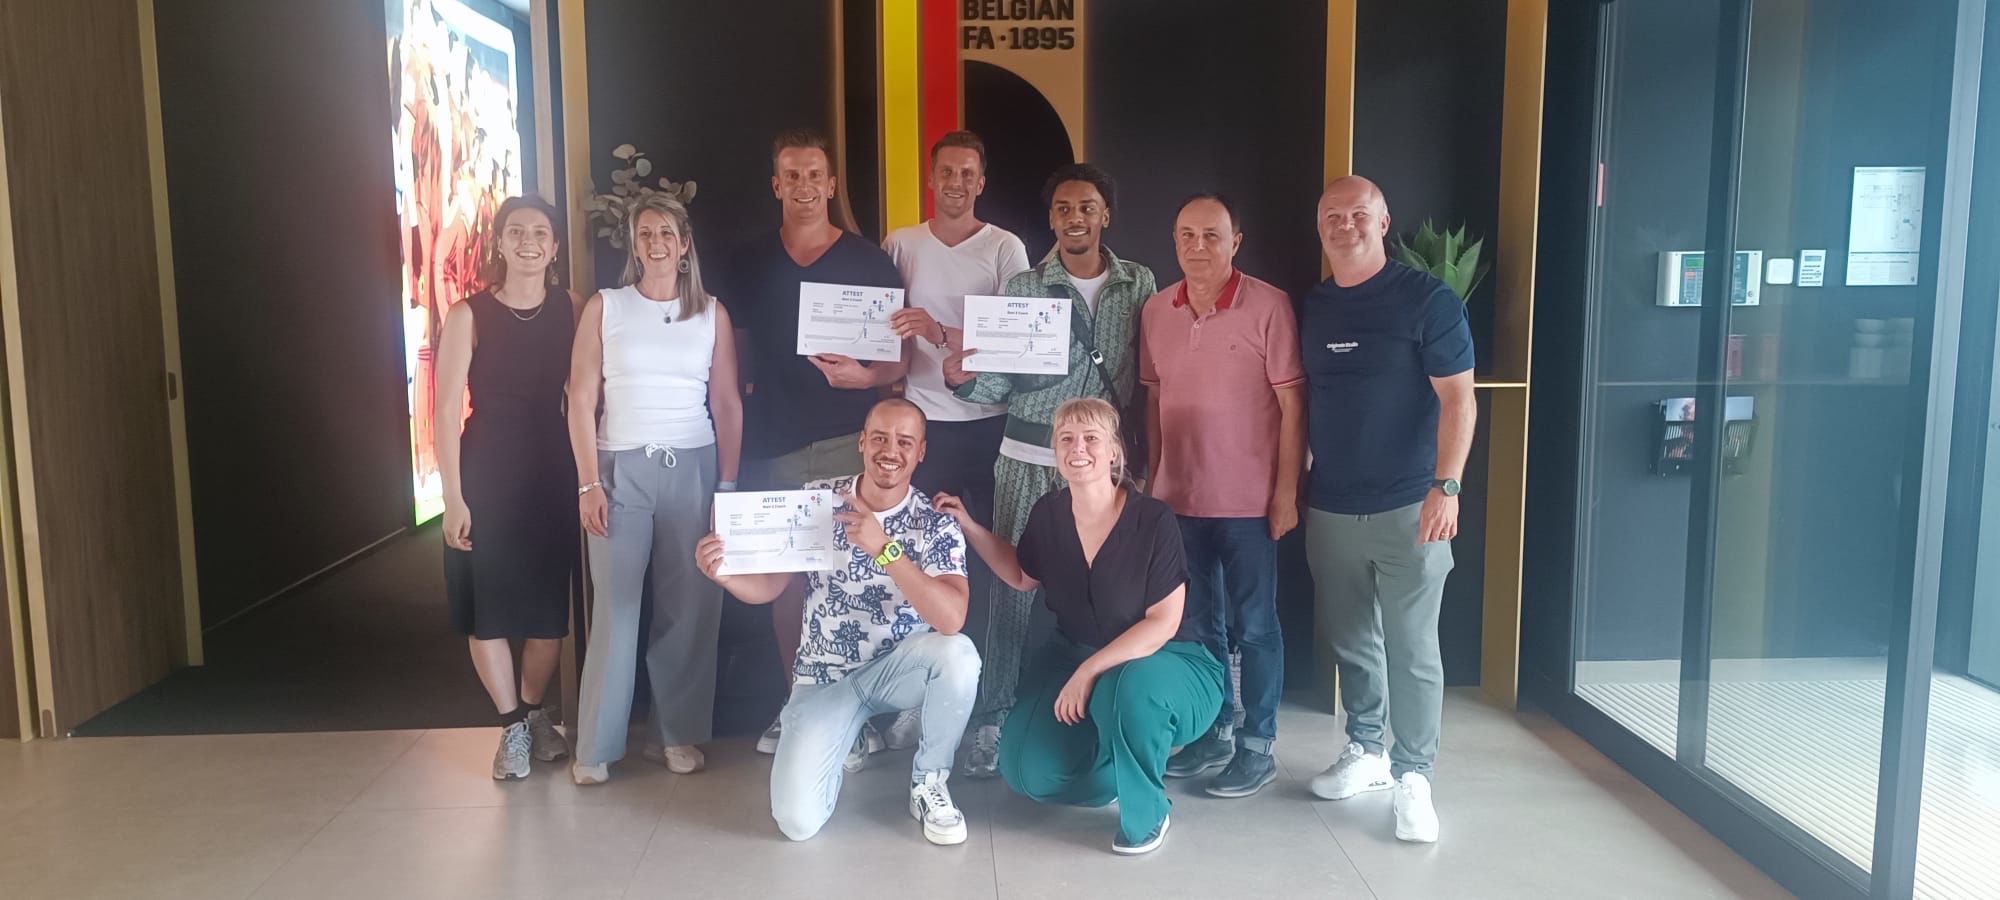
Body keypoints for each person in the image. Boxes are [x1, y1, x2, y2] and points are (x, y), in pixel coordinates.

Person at [942, 164, 1157, 778]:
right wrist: (963, 378)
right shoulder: (1025, 286)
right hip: (1026, 457)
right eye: (1063, 208)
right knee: (1012, 590)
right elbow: (998, 381)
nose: (1075, 218)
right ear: (1051, 218)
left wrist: (1142, 458)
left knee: (1110, 588)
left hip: (1100, 464)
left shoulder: (1138, 283)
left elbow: (1149, 376)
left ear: (1105, 215)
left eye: (1086, 207)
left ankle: (1108, 708)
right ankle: (993, 718)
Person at [937, 398, 1220, 856]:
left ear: (1114, 451)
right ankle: (1121, 768)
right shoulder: (1049, 513)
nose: (1078, 448)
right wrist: (969, 526)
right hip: (1075, 654)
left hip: (1168, 662)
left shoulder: (1152, 519)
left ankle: (1148, 811)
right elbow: (1022, 574)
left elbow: (1164, 623)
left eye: (1091, 438)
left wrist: (1089, 671)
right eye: (1066, 438)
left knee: (1124, 689)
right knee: (1025, 769)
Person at [694, 400, 979, 846]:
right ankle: (848, 732)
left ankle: (929, 782)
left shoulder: (935, 523)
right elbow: (770, 587)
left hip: (897, 671)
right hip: (824, 677)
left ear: (921, 452)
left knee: (959, 655)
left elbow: (951, 618)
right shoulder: (819, 500)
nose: (891, 450)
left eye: (905, 442)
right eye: (880, 438)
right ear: (861, 442)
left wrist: (883, 547)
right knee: (796, 822)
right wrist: (724, 575)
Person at [715, 129, 908, 756]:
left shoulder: (869, 261)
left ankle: (856, 715)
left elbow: (898, 363)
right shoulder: (747, 262)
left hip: (847, 442)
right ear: (777, 185)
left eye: (814, 175)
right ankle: (798, 705)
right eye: (792, 176)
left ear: (831, 184)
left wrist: (865, 377)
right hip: (771, 443)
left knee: (853, 583)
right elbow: (732, 361)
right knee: (788, 585)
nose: (804, 186)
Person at [1301, 176, 1475, 844]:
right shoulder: (1314, 306)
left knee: (1413, 647)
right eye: (1332, 215)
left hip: (1412, 505)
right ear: (1320, 225)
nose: (1344, 225)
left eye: (1358, 214)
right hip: (1332, 506)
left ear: (1382, 222)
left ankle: (1414, 776)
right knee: (1352, 640)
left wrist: (1447, 486)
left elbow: (1459, 398)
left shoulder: (1427, 299)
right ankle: (1367, 751)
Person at [566, 194, 743, 784]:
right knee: (617, 607)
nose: (656, 243)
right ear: (634, 244)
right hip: (619, 468)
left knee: (690, 606)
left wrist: (727, 485)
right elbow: (581, 399)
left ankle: (675, 735)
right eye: (645, 233)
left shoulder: (711, 313)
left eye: (667, 232)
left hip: (694, 466)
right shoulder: (606, 306)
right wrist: (588, 481)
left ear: (684, 243)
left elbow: (726, 403)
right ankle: (595, 746)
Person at [1142, 194, 1306, 798]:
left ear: (1236, 241)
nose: (1198, 246)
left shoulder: (1269, 305)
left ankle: (1257, 747)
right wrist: (1154, 481)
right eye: (1186, 235)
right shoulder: (1157, 309)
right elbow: (1154, 400)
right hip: (1178, 500)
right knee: (1196, 624)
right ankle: (1214, 730)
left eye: (1212, 235)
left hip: (1249, 503)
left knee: (1256, 626)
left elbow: (1293, 405)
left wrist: (1286, 493)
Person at [881, 130, 1031, 752]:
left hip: (992, 424)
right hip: (923, 427)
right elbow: (880, 327)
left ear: (981, 182)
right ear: (931, 177)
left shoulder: (1005, 247)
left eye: (968, 173)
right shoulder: (901, 244)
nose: (956, 183)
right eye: (947, 171)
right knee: (919, 564)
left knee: (989, 567)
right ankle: (916, 697)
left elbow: (1019, 338)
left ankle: (989, 709)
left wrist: (941, 332)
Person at [435, 195, 583, 780]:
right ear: (499, 242)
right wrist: (453, 497)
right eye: (516, 231)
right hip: (486, 471)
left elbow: (589, 393)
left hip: (553, 470)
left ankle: (534, 711)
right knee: (489, 608)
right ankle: (512, 727)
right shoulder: (468, 314)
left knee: (549, 613)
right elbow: (446, 410)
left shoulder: (573, 307)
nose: (528, 242)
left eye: (540, 232)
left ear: (554, 247)